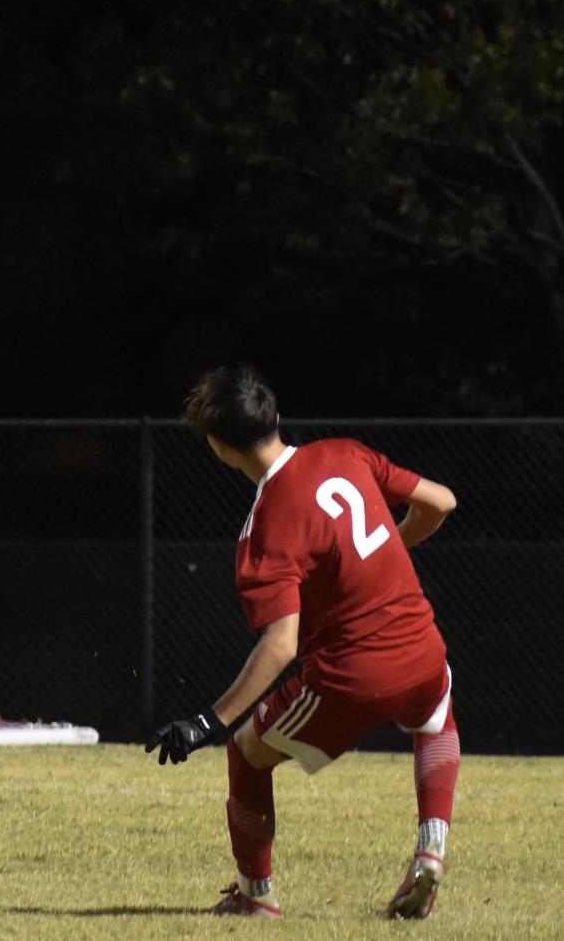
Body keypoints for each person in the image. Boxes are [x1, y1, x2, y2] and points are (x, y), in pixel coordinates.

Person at [147, 365, 461, 920]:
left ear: (220, 447)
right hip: (423, 647)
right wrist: (388, 549)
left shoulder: (265, 523)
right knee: (436, 715)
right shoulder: (345, 453)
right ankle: (430, 850)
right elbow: (440, 502)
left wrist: (207, 721)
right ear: (274, 416)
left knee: (246, 751)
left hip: (352, 674)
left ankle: (255, 895)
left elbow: (281, 643)